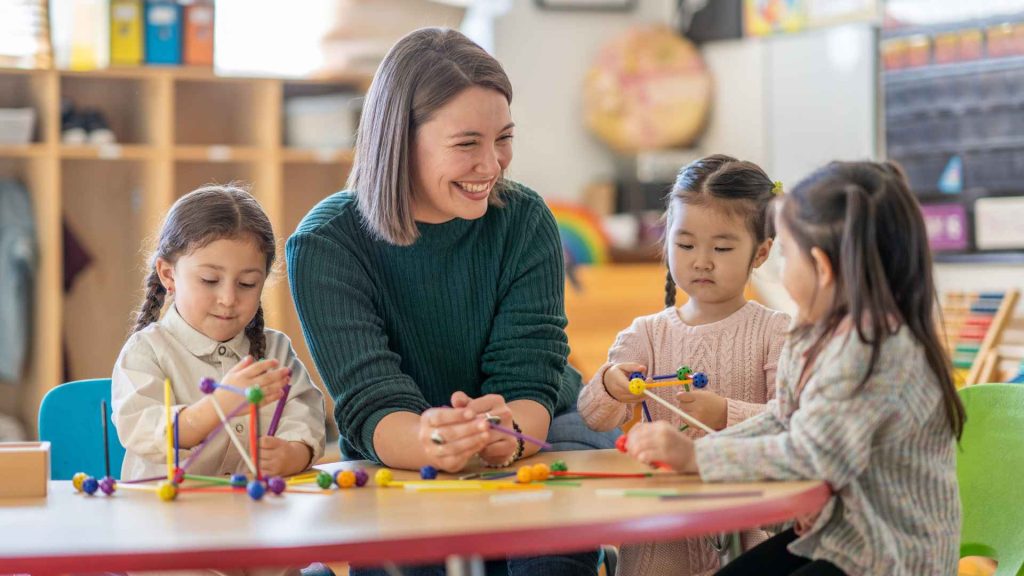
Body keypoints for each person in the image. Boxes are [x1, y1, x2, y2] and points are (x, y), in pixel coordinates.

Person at [286, 27, 615, 576]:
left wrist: (504, 438)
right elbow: (371, 404)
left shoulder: (524, 220)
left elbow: (531, 379)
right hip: (402, 461)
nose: (492, 165)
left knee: (549, 568)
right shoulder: (326, 243)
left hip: (535, 436)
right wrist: (434, 443)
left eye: (503, 138)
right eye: (467, 144)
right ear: (399, 139)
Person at [624, 161, 965, 576]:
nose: (780, 268)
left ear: (821, 268)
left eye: (786, 253)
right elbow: (784, 420)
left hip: (890, 558)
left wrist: (698, 457)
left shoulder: (875, 350)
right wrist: (696, 455)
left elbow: (813, 456)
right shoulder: (815, 332)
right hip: (839, 538)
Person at [578, 154, 790, 575]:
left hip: (746, 537)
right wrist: (611, 385)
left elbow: (794, 420)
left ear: (761, 252)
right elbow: (593, 417)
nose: (701, 260)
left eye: (723, 247)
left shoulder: (775, 331)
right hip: (660, 542)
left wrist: (725, 412)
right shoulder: (646, 333)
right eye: (686, 244)